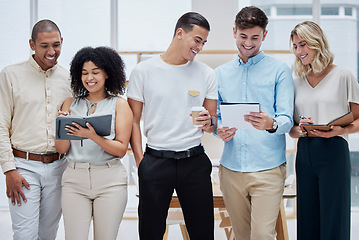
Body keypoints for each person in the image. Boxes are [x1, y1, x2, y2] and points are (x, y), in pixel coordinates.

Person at [127, 12, 218, 240]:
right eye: (197, 40)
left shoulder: (207, 73)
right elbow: (133, 121)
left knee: (203, 233)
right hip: (155, 161)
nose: (200, 47)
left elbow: (212, 122)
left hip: (194, 162)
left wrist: (209, 123)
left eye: (204, 43)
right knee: (150, 232)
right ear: (180, 33)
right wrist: (141, 161)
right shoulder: (143, 71)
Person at [215, 6, 294, 240]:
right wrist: (219, 129)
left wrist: (271, 123)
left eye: (255, 37)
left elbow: (287, 119)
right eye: (243, 36)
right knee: (240, 236)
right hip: (231, 169)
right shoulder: (220, 73)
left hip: (268, 169)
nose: (248, 43)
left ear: (264, 36)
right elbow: (216, 117)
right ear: (234, 32)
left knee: (261, 235)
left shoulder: (280, 71)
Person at [0, 20, 72, 239]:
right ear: (32, 44)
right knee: (25, 234)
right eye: (44, 46)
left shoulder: (69, 78)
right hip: (23, 167)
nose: (51, 51)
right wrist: (9, 169)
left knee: (48, 234)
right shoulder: (10, 75)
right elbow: (1, 124)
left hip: (59, 167)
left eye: (56, 45)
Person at [289, 21, 359, 240]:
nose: (299, 51)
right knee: (307, 220)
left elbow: (358, 118)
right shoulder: (296, 81)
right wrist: (298, 130)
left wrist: (338, 131)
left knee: (334, 220)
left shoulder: (343, 75)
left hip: (334, 150)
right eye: (295, 46)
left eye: (303, 45)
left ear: (317, 43)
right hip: (305, 152)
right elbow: (291, 129)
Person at [55, 46, 132, 240]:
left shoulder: (119, 104)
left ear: (107, 73)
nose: (90, 77)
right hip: (74, 179)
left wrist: (92, 136)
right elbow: (62, 150)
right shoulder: (69, 103)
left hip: (110, 180)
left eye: (95, 72)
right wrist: (60, 125)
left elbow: (121, 149)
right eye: (85, 73)